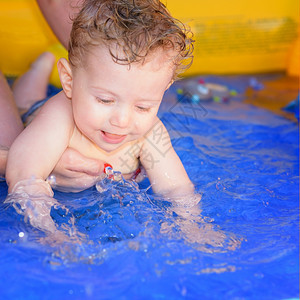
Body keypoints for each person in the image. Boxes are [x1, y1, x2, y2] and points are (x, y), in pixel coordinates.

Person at [5, 0, 198, 236]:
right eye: (105, 100)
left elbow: (177, 188)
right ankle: (37, 70)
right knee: (26, 102)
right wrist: (50, 231)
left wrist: (194, 227)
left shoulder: (150, 133)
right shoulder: (60, 117)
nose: (122, 120)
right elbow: (26, 177)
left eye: (143, 106)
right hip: (36, 115)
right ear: (69, 80)